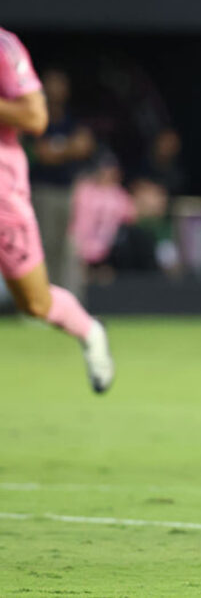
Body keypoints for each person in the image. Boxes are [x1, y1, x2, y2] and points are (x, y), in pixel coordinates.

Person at [0, 28, 114, 393]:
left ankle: (90, 331)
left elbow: (34, 117)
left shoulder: (4, 47)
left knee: (34, 301)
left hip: (4, 191)